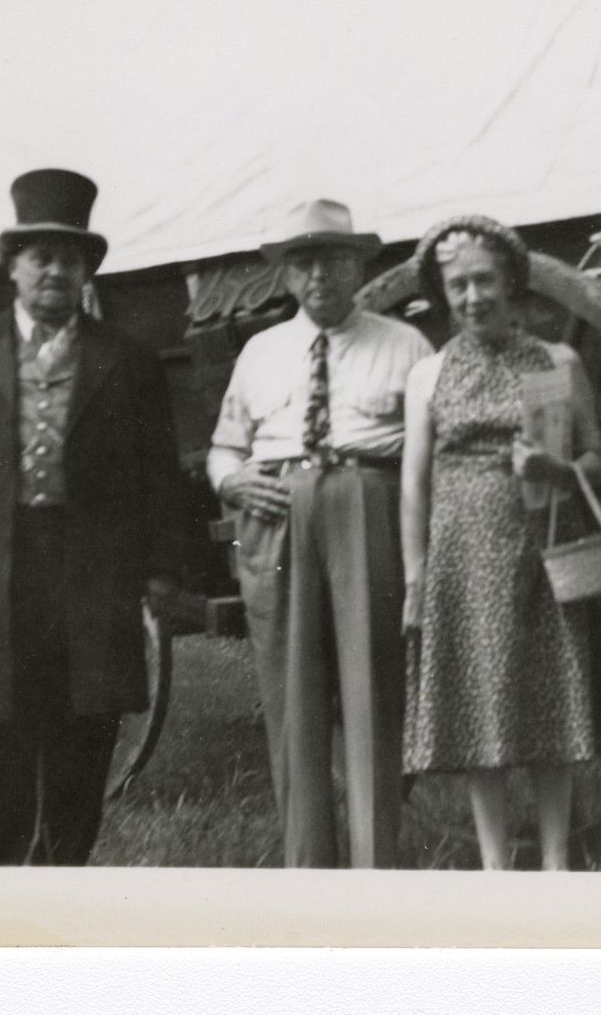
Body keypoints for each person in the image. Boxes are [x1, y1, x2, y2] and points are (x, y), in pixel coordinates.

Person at [0, 168, 185, 867]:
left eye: (69, 259)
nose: (55, 271)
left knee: (84, 740)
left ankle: (62, 884)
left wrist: (163, 570)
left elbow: (160, 480)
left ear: (86, 273)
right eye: (40, 257)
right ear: (12, 268)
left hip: (94, 575)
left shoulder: (128, 360)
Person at [207, 198, 433, 868]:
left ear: (358, 266)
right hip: (277, 513)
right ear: (285, 275)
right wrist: (232, 481)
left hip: (368, 503)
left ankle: (374, 867)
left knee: (373, 687)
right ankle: (307, 867)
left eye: (333, 261)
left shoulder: (405, 345)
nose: (319, 276)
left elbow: (431, 448)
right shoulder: (261, 353)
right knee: (290, 690)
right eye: (303, 263)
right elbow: (225, 446)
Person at [399, 216, 601, 871]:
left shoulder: (553, 363)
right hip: (463, 561)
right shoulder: (430, 374)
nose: (473, 297)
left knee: (551, 701)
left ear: (511, 283)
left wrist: (558, 470)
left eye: (484, 281)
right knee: (477, 702)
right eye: (458, 285)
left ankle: (555, 860)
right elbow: (413, 485)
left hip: (542, 548)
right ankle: (495, 866)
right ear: (444, 295)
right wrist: (416, 576)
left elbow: (598, 460)